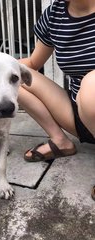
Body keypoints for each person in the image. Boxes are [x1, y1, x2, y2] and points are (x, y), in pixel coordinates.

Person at [18, 0, 95, 199]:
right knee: (11, 78)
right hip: (79, 114)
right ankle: (61, 142)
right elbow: (34, 62)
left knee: (91, 85)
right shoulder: (54, 15)